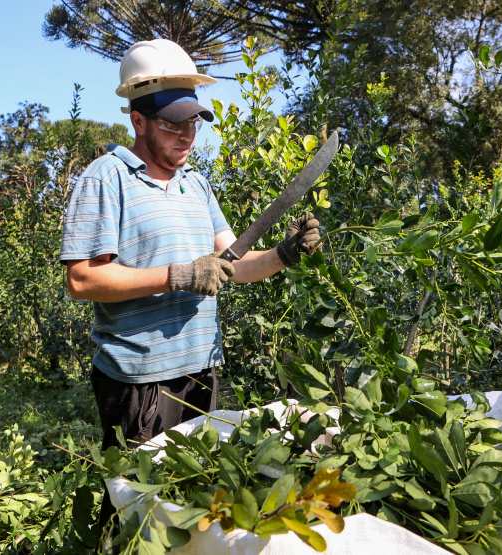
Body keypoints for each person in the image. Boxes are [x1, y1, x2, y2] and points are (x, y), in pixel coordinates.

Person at [58, 38, 320, 536]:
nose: (186, 137)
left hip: (203, 371)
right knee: (141, 513)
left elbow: (231, 265)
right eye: (171, 125)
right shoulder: (106, 179)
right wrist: (178, 275)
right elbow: (82, 278)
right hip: (140, 382)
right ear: (137, 120)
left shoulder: (196, 185)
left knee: (198, 506)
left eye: (192, 123)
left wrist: (283, 255)